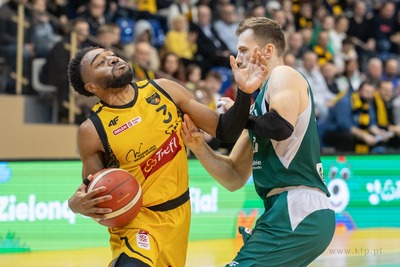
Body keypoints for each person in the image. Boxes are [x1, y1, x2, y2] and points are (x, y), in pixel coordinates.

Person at [66, 44, 268, 266]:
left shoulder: (164, 90)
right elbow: (97, 195)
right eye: (101, 63)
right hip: (138, 220)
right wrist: (77, 205)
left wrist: (244, 92)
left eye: (111, 55)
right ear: (91, 86)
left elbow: (225, 131)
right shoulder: (92, 130)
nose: (113, 59)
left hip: (180, 212)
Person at [181, 17, 335, 267]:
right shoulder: (258, 108)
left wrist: (243, 117)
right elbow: (233, 176)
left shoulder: (283, 74)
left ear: (268, 50)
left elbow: (280, 127)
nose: (238, 58)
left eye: (243, 49)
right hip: (280, 210)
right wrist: (199, 146)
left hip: (298, 206)